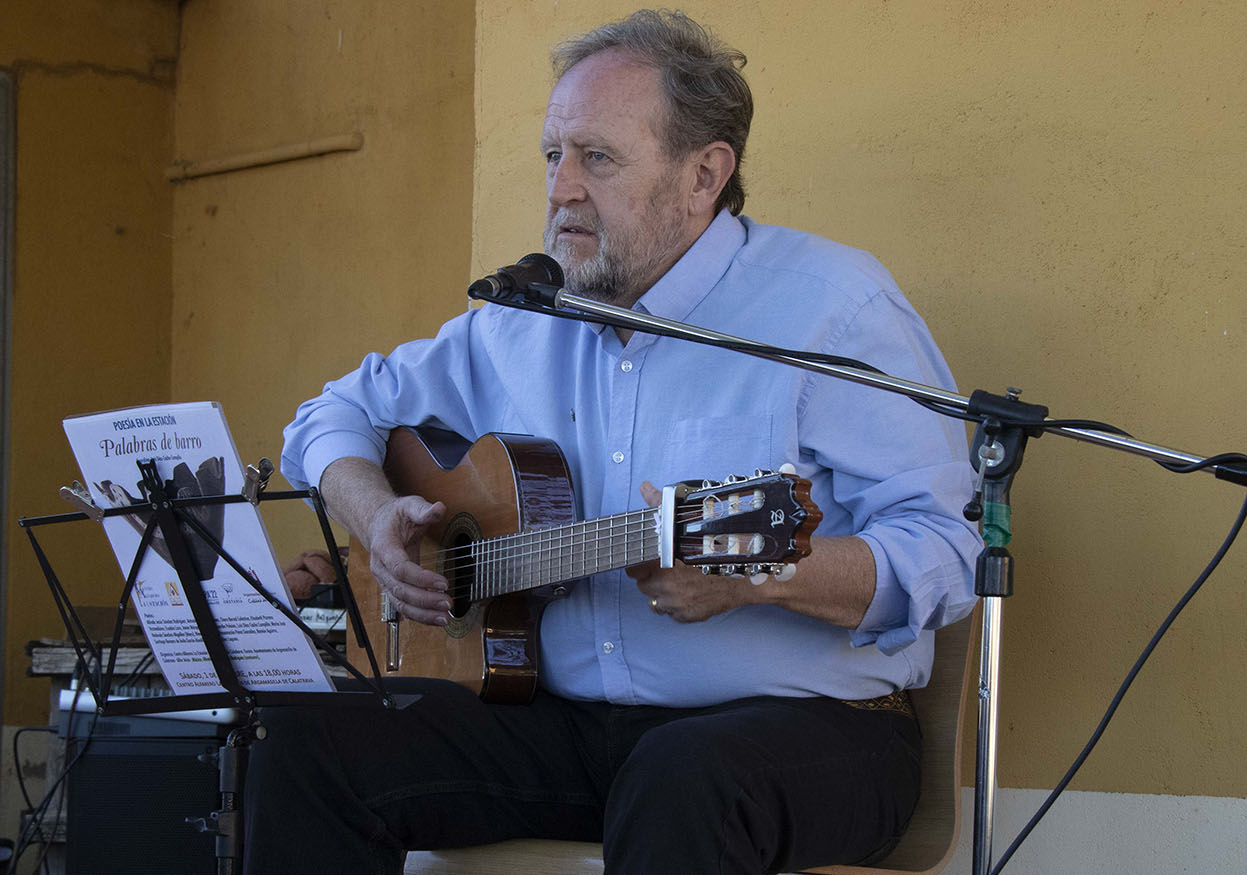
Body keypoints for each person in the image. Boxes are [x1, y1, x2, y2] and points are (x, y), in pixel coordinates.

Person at [245, 10, 982, 875]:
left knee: (683, 775)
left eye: (597, 158)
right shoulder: (522, 318)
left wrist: (768, 577)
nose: (561, 189)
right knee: (302, 738)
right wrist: (377, 517)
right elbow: (326, 417)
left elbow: (948, 551)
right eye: (554, 155)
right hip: (564, 726)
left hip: (811, 734)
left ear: (705, 172)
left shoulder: (833, 309)